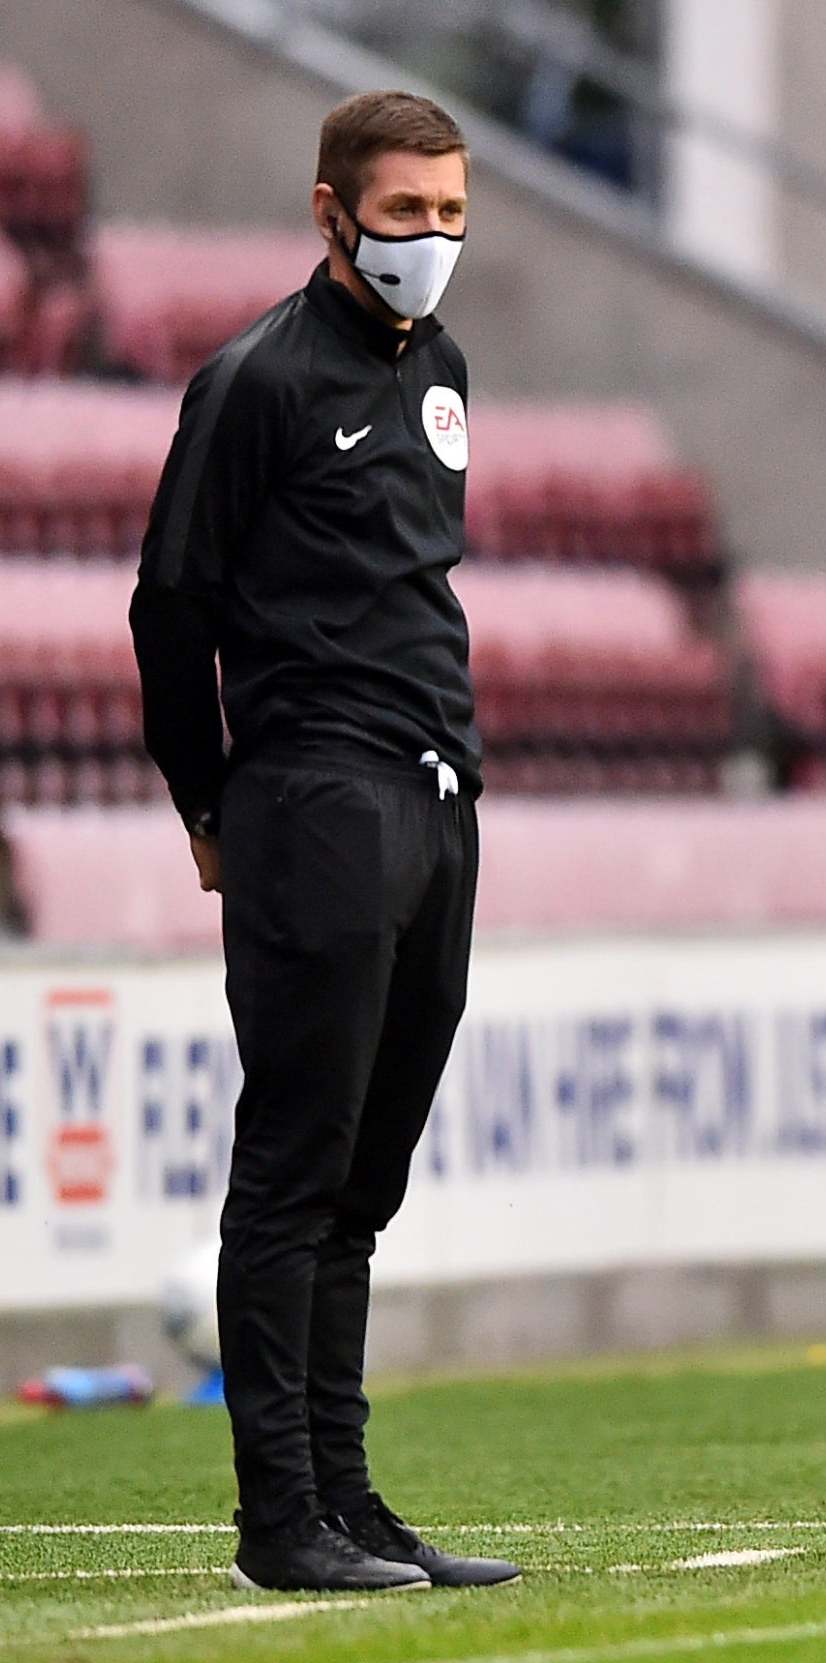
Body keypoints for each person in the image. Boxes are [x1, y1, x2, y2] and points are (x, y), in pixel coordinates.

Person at [129, 90, 516, 1594]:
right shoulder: (256, 383)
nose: (432, 237)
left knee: (367, 1172)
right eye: (404, 211)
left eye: (451, 211)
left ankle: (350, 1500)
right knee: (294, 1161)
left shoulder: (445, 367)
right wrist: (211, 803)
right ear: (331, 212)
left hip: (434, 795)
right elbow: (172, 608)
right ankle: (277, 1514)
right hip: (316, 795)